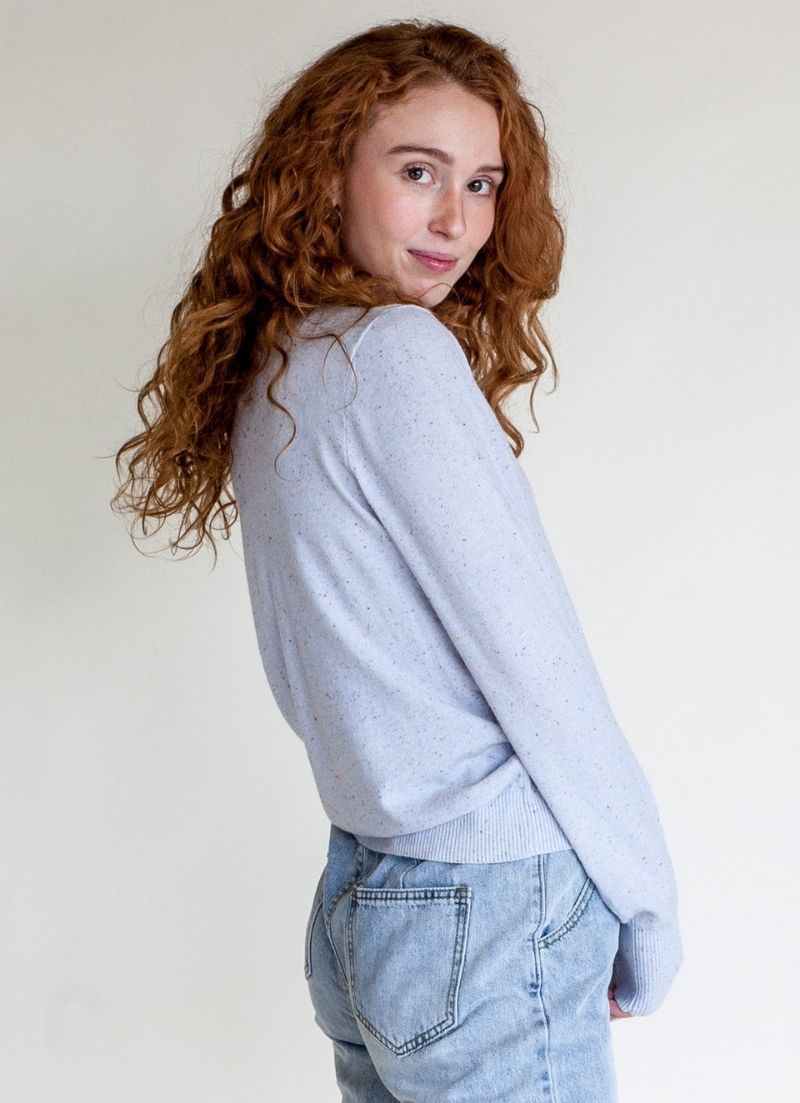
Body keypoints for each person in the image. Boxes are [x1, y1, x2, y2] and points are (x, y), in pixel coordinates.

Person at [111, 18, 684, 1102]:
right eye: (417, 171)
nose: (455, 219)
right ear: (325, 173)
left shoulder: (283, 363)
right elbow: (536, 663)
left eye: (481, 183)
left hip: (368, 898)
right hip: (492, 896)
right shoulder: (395, 355)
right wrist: (646, 900)